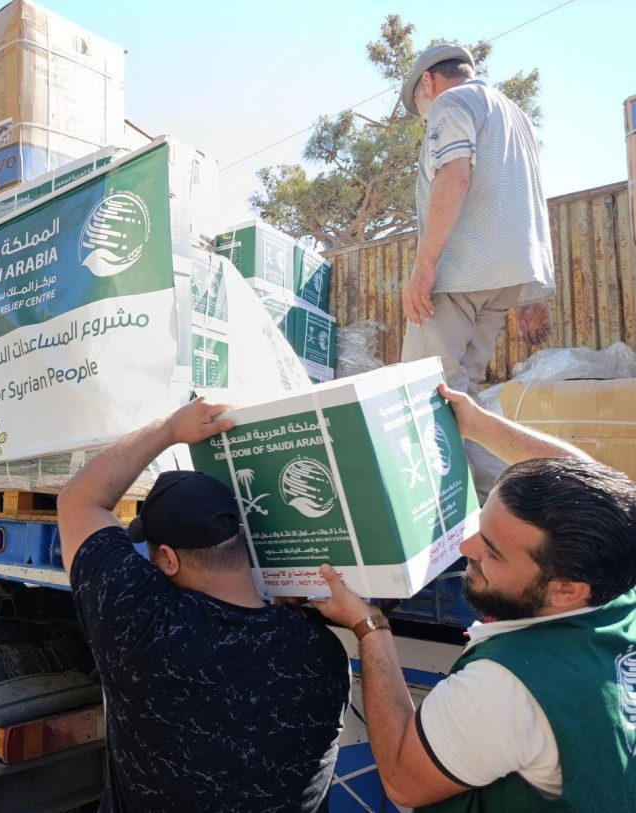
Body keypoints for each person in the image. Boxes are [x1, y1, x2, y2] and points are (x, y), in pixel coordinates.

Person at [311, 383, 636, 811]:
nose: (467, 549)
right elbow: (590, 478)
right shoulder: (613, 564)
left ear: (566, 590)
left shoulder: (506, 689)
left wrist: (370, 627)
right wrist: (477, 423)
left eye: (493, 551)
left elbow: (405, 782)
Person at [58, 398, 350, 813]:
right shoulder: (323, 653)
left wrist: (170, 429)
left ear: (169, 559)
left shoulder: (142, 626)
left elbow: (78, 501)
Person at [400, 43, 555, 396]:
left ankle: (443, 454)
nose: (425, 120)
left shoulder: (451, 102)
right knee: (463, 392)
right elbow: (526, 197)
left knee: (422, 389)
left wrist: (424, 267)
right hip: (505, 280)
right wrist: (531, 291)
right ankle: (471, 453)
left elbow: (454, 177)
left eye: (421, 111)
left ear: (428, 81)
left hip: (459, 275)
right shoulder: (517, 116)